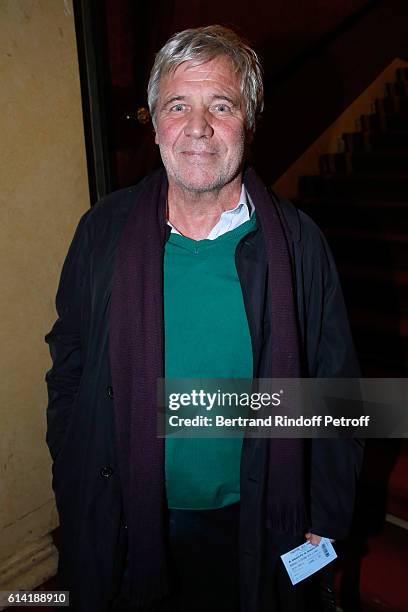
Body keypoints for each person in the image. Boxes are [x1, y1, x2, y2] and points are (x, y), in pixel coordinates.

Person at [45, 25, 363, 612]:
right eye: (177, 105)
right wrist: (73, 463)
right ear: (157, 122)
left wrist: (323, 518)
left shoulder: (298, 244)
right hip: (124, 513)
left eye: (221, 105)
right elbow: (70, 360)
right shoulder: (103, 230)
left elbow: (337, 393)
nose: (197, 127)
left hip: (257, 518)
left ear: (249, 119)